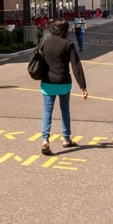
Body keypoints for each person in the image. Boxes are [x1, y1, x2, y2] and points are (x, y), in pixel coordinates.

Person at [38, 19, 88, 156]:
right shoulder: (68, 44)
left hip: (47, 81)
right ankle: (66, 138)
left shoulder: (45, 41)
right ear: (66, 30)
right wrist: (82, 86)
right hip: (63, 82)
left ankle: (45, 139)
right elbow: (76, 65)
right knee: (64, 110)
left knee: (47, 110)